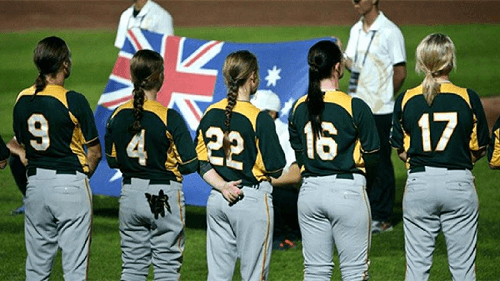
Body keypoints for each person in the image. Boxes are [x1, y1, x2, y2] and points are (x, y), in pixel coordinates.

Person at [390, 33, 490, 281]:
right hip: (458, 183)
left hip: (419, 185)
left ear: (422, 63)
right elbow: (479, 147)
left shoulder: (406, 99)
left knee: (416, 270)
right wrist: (455, 160)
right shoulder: (468, 97)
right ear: (450, 60)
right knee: (464, 271)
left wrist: (422, 162)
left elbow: (401, 149)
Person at [288, 40, 380, 281]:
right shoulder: (355, 106)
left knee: (316, 272)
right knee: (354, 272)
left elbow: (299, 155)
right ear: (338, 67)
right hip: (347, 191)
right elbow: (373, 156)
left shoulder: (298, 108)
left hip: (309, 193)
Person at [13, 36, 102, 280]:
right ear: (64, 64)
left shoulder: (22, 99)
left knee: (37, 268)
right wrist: (81, 179)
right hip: (70, 185)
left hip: (35, 187)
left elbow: (21, 143)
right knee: (74, 268)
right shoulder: (73, 100)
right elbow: (94, 151)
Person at [105, 49, 198, 280]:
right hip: (163, 194)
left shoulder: (116, 115)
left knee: (132, 267)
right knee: (166, 267)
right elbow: (189, 165)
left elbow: (113, 160)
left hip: (130, 194)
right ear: (160, 77)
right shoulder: (169, 117)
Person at [195, 50, 286, 281]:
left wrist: (223, 186)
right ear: (253, 77)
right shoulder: (260, 118)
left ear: (227, 78)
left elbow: (201, 161)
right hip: (251, 201)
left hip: (218, 198)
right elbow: (275, 169)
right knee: (254, 276)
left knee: (217, 277)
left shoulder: (210, 112)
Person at [344, 0, 407, 233]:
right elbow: (354, 65)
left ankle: (382, 216)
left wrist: (385, 97)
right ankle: (365, 209)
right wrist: (340, 54)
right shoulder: (355, 30)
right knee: (359, 159)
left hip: (381, 110)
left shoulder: (390, 32)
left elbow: (400, 72)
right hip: (358, 107)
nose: (354, 4)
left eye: (358, 0)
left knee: (380, 162)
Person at [251, 89, 301, 250]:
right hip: (266, 190)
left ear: (271, 114)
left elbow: (295, 176)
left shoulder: (285, 133)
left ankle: (280, 237)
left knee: (268, 191)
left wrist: (264, 181)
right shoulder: (250, 132)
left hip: (287, 196)